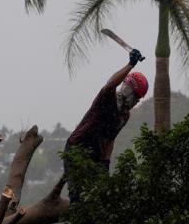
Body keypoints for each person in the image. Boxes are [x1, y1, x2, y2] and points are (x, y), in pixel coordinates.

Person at [63, 48, 148, 202]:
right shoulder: (107, 98)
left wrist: (105, 164)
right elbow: (110, 84)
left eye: (137, 99)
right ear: (128, 90)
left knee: (101, 198)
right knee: (78, 197)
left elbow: (110, 140)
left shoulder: (124, 116)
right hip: (76, 148)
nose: (135, 101)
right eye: (134, 96)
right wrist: (130, 64)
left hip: (95, 156)